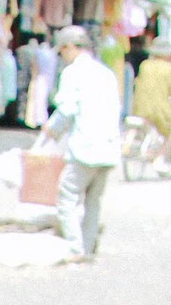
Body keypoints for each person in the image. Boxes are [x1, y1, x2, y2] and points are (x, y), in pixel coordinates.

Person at [44, 25, 121, 261]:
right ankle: (87, 249)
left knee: (67, 197)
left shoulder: (73, 73)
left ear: (69, 48)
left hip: (85, 147)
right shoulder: (106, 74)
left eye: (63, 51)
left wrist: (51, 130)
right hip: (108, 147)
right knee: (93, 203)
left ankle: (75, 248)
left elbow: (66, 109)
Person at [131, 43, 171, 150]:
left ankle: (127, 146)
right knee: (168, 134)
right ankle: (158, 160)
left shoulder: (145, 65)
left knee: (136, 128)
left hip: (141, 106)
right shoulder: (168, 68)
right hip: (159, 109)